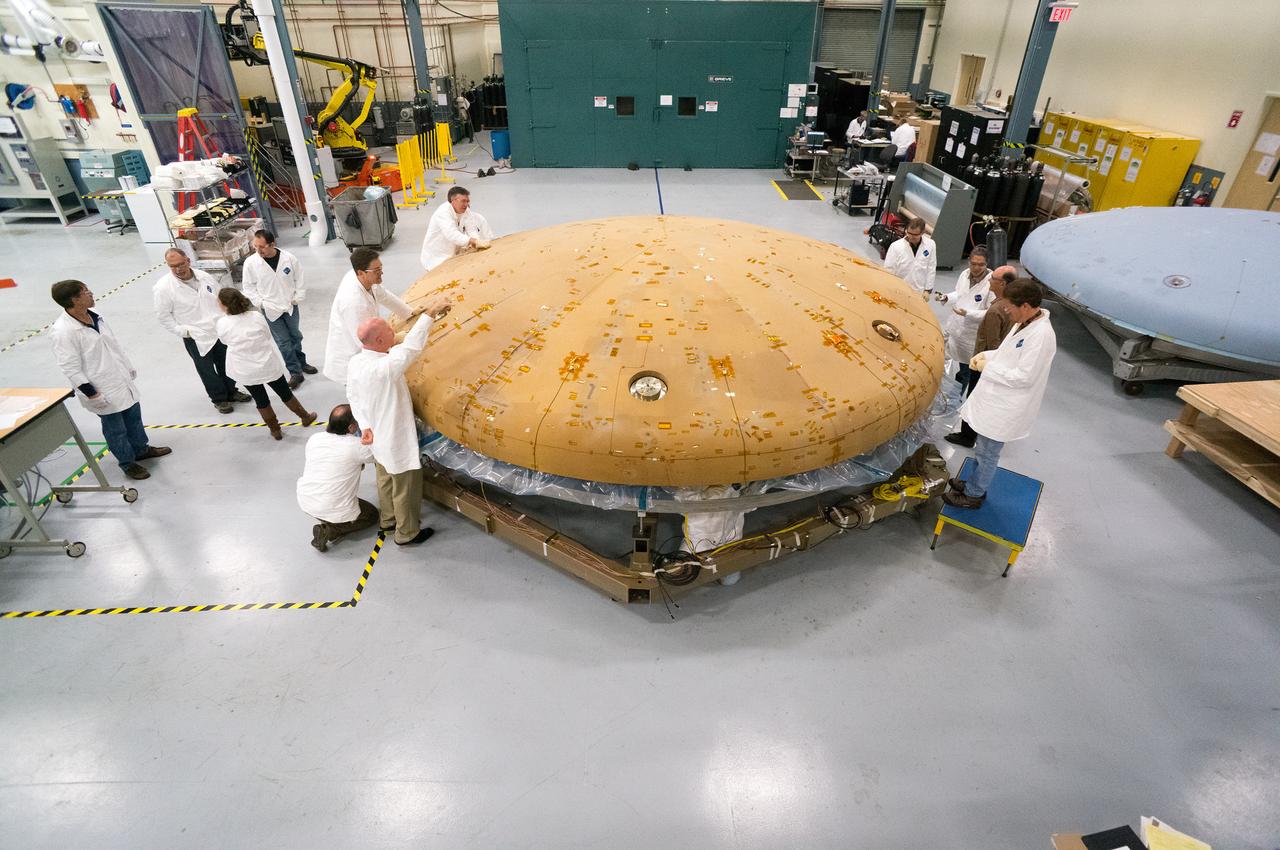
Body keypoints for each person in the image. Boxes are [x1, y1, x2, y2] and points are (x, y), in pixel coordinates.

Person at [944, 279, 1057, 509]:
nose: (1006, 310)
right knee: (982, 448)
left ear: (1025, 306)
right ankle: (973, 483)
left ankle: (974, 494)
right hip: (996, 399)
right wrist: (988, 356)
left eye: (1009, 306)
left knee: (987, 453)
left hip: (1007, 406)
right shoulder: (1024, 323)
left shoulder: (1041, 335)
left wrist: (989, 367)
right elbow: (1007, 353)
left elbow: (1025, 376)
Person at [346, 301, 450, 546]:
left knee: (384, 478)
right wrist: (430, 314)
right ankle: (407, 533)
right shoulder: (385, 367)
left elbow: (353, 395)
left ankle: (389, 520)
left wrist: (365, 426)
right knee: (406, 485)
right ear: (380, 342)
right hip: (394, 438)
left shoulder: (357, 363)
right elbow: (411, 348)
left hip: (375, 436)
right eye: (390, 334)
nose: (395, 335)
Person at [49, 279, 172, 481]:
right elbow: (69, 367)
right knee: (116, 429)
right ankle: (127, 463)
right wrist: (92, 393)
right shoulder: (63, 331)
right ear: (74, 300)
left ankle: (141, 449)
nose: (91, 293)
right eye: (86, 292)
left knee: (133, 418)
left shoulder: (95, 317)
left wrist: (127, 366)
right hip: (101, 388)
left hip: (119, 378)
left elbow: (113, 345)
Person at [153, 247, 251, 414]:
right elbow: (163, 316)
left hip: (218, 330)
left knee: (226, 363)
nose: (178, 269)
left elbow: (220, 297)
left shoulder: (204, 277)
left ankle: (232, 391)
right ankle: (219, 399)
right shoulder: (163, 288)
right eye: (173, 266)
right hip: (195, 335)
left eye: (181, 264)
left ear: (188, 261)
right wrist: (183, 332)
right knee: (206, 370)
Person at [215, 288, 317, 440]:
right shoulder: (256, 316)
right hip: (266, 364)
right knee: (285, 393)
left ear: (225, 305)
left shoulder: (223, 323)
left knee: (260, 399)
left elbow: (224, 341)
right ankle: (305, 417)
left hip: (245, 368)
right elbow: (267, 335)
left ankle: (275, 430)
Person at [946, 265, 1018, 447]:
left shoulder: (996, 310)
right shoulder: (1010, 306)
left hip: (985, 364)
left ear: (1001, 283)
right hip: (997, 363)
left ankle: (967, 436)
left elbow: (993, 343)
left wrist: (984, 363)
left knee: (975, 396)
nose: (988, 280)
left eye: (992, 277)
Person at [322, 247, 413, 385]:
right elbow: (366, 342)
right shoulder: (353, 303)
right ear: (361, 273)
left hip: (364, 350)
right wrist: (396, 339)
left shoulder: (364, 279)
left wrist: (410, 312)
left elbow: (385, 296)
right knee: (364, 397)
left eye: (381, 268)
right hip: (352, 356)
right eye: (376, 271)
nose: (381, 272)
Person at [297, 404, 379, 552]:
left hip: (307, 499)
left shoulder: (314, 438)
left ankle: (327, 520)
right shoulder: (355, 446)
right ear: (351, 428)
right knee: (372, 515)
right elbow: (378, 454)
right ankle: (330, 530)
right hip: (330, 505)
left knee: (332, 499)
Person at [241, 229, 316, 389]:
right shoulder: (251, 263)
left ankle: (302, 363)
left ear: (272, 244)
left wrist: (298, 297)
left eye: (262, 247)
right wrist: (260, 303)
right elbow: (248, 287)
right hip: (270, 309)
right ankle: (295, 372)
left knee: (295, 336)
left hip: (290, 306)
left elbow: (299, 279)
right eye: (255, 247)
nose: (258, 250)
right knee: (283, 342)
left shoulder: (289, 259)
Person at [935, 247, 994, 389]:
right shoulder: (964, 274)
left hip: (971, 336)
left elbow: (991, 313)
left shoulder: (992, 282)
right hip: (954, 327)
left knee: (965, 371)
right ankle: (940, 391)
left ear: (987, 264)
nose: (976, 268)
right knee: (943, 361)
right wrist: (947, 297)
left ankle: (956, 398)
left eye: (981, 265)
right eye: (973, 263)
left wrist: (968, 313)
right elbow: (960, 294)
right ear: (969, 262)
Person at [420, 186, 495, 271]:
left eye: (467, 201)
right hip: (436, 257)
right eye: (463, 201)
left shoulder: (466, 210)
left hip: (452, 254)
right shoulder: (443, 212)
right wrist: (472, 241)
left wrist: (477, 241)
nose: (466, 205)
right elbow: (452, 234)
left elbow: (471, 229)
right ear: (453, 201)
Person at [883, 217, 937, 297]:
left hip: (919, 292)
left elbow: (931, 268)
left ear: (922, 233)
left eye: (915, 235)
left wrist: (928, 290)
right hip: (899, 291)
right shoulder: (895, 247)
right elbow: (888, 269)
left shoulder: (930, 245)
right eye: (909, 233)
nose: (911, 237)